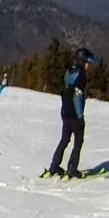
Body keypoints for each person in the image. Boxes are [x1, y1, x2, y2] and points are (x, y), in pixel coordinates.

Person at [45, 48, 97, 178]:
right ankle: (72, 168)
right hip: (74, 114)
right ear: (84, 61)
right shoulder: (81, 76)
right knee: (78, 141)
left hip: (65, 111)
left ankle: (54, 166)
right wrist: (80, 117)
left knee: (64, 139)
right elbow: (77, 97)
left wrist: (65, 108)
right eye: (88, 63)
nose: (89, 66)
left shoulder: (69, 71)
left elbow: (64, 92)